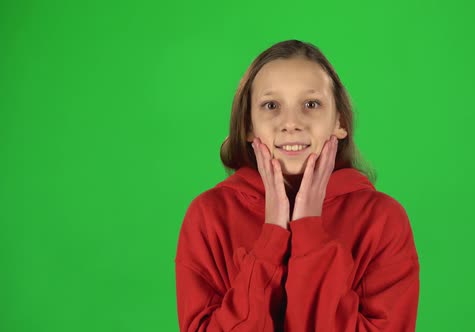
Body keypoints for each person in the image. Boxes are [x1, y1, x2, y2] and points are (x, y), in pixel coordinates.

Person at [175, 39, 420, 332]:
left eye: (311, 104)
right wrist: (271, 239)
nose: (291, 122)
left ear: (339, 121)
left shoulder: (383, 220)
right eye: (271, 105)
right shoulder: (209, 215)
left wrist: (309, 230)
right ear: (249, 125)